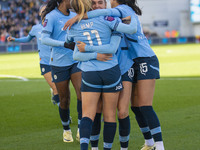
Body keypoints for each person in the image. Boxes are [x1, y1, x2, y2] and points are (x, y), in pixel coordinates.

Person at [78, 0, 165, 149]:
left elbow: (114, 21)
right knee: (133, 107)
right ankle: (149, 142)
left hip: (136, 61)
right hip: (116, 66)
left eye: (101, 2)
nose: (99, 5)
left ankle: (158, 145)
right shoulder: (108, 19)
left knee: (134, 108)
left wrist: (79, 17)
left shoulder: (121, 11)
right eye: (94, 3)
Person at [65, 0, 136, 149]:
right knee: (110, 114)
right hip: (110, 70)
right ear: (90, 6)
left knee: (87, 114)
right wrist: (132, 16)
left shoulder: (73, 26)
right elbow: (130, 31)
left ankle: (86, 148)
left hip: (90, 73)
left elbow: (72, 48)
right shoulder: (108, 19)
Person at [41, 0, 82, 143]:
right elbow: (44, 39)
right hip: (59, 63)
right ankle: (66, 130)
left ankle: (81, 129)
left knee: (82, 94)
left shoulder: (74, 14)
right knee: (64, 99)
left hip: (76, 60)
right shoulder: (51, 16)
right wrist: (64, 44)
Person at [7, 4, 60, 106]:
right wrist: (15, 39)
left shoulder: (56, 26)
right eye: (44, 11)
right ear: (40, 13)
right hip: (45, 63)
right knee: (56, 88)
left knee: (62, 90)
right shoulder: (36, 28)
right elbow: (28, 38)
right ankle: (65, 117)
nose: (46, 12)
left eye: (48, 10)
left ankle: (56, 99)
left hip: (58, 61)